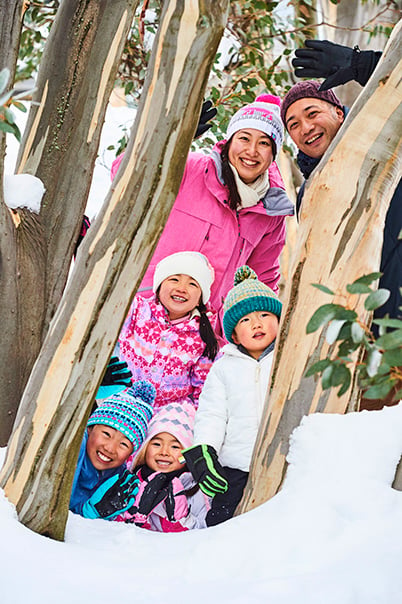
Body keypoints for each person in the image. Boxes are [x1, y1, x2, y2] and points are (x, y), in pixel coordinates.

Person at [111, 94, 294, 330]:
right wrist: (172, 140)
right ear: (229, 141)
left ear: (273, 153)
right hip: (137, 316)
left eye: (264, 143)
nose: (251, 151)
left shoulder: (271, 213)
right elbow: (124, 177)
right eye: (244, 138)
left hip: (200, 337)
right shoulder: (190, 169)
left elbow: (262, 280)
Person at [281, 40, 401, 326]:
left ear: (338, 112)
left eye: (312, 113)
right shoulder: (308, 196)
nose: (305, 128)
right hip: (365, 340)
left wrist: (365, 65)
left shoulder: (384, 145)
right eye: (293, 124)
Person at [182, 265, 282, 526]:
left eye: (264, 314)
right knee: (224, 524)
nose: (257, 323)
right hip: (235, 465)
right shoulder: (224, 366)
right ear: (234, 334)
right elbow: (213, 413)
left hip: (282, 461)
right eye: (245, 319)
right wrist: (206, 449)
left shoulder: (286, 359)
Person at [117, 251, 220, 411]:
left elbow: (203, 387)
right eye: (174, 279)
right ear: (158, 286)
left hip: (168, 415)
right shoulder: (137, 310)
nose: (182, 288)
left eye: (193, 284)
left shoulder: (202, 336)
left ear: (201, 297)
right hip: (123, 401)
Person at [115, 402, 210, 532]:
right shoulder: (129, 484)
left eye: (175, 447)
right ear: (144, 449)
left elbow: (206, 533)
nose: (164, 452)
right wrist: (132, 516)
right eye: (157, 444)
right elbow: (111, 530)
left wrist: (181, 519)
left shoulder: (196, 489)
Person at [69, 380, 155, 519]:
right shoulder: (73, 449)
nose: (110, 448)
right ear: (90, 429)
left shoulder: (119, 480)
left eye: (123, 444)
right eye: (106, 434)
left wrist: (91, 514)